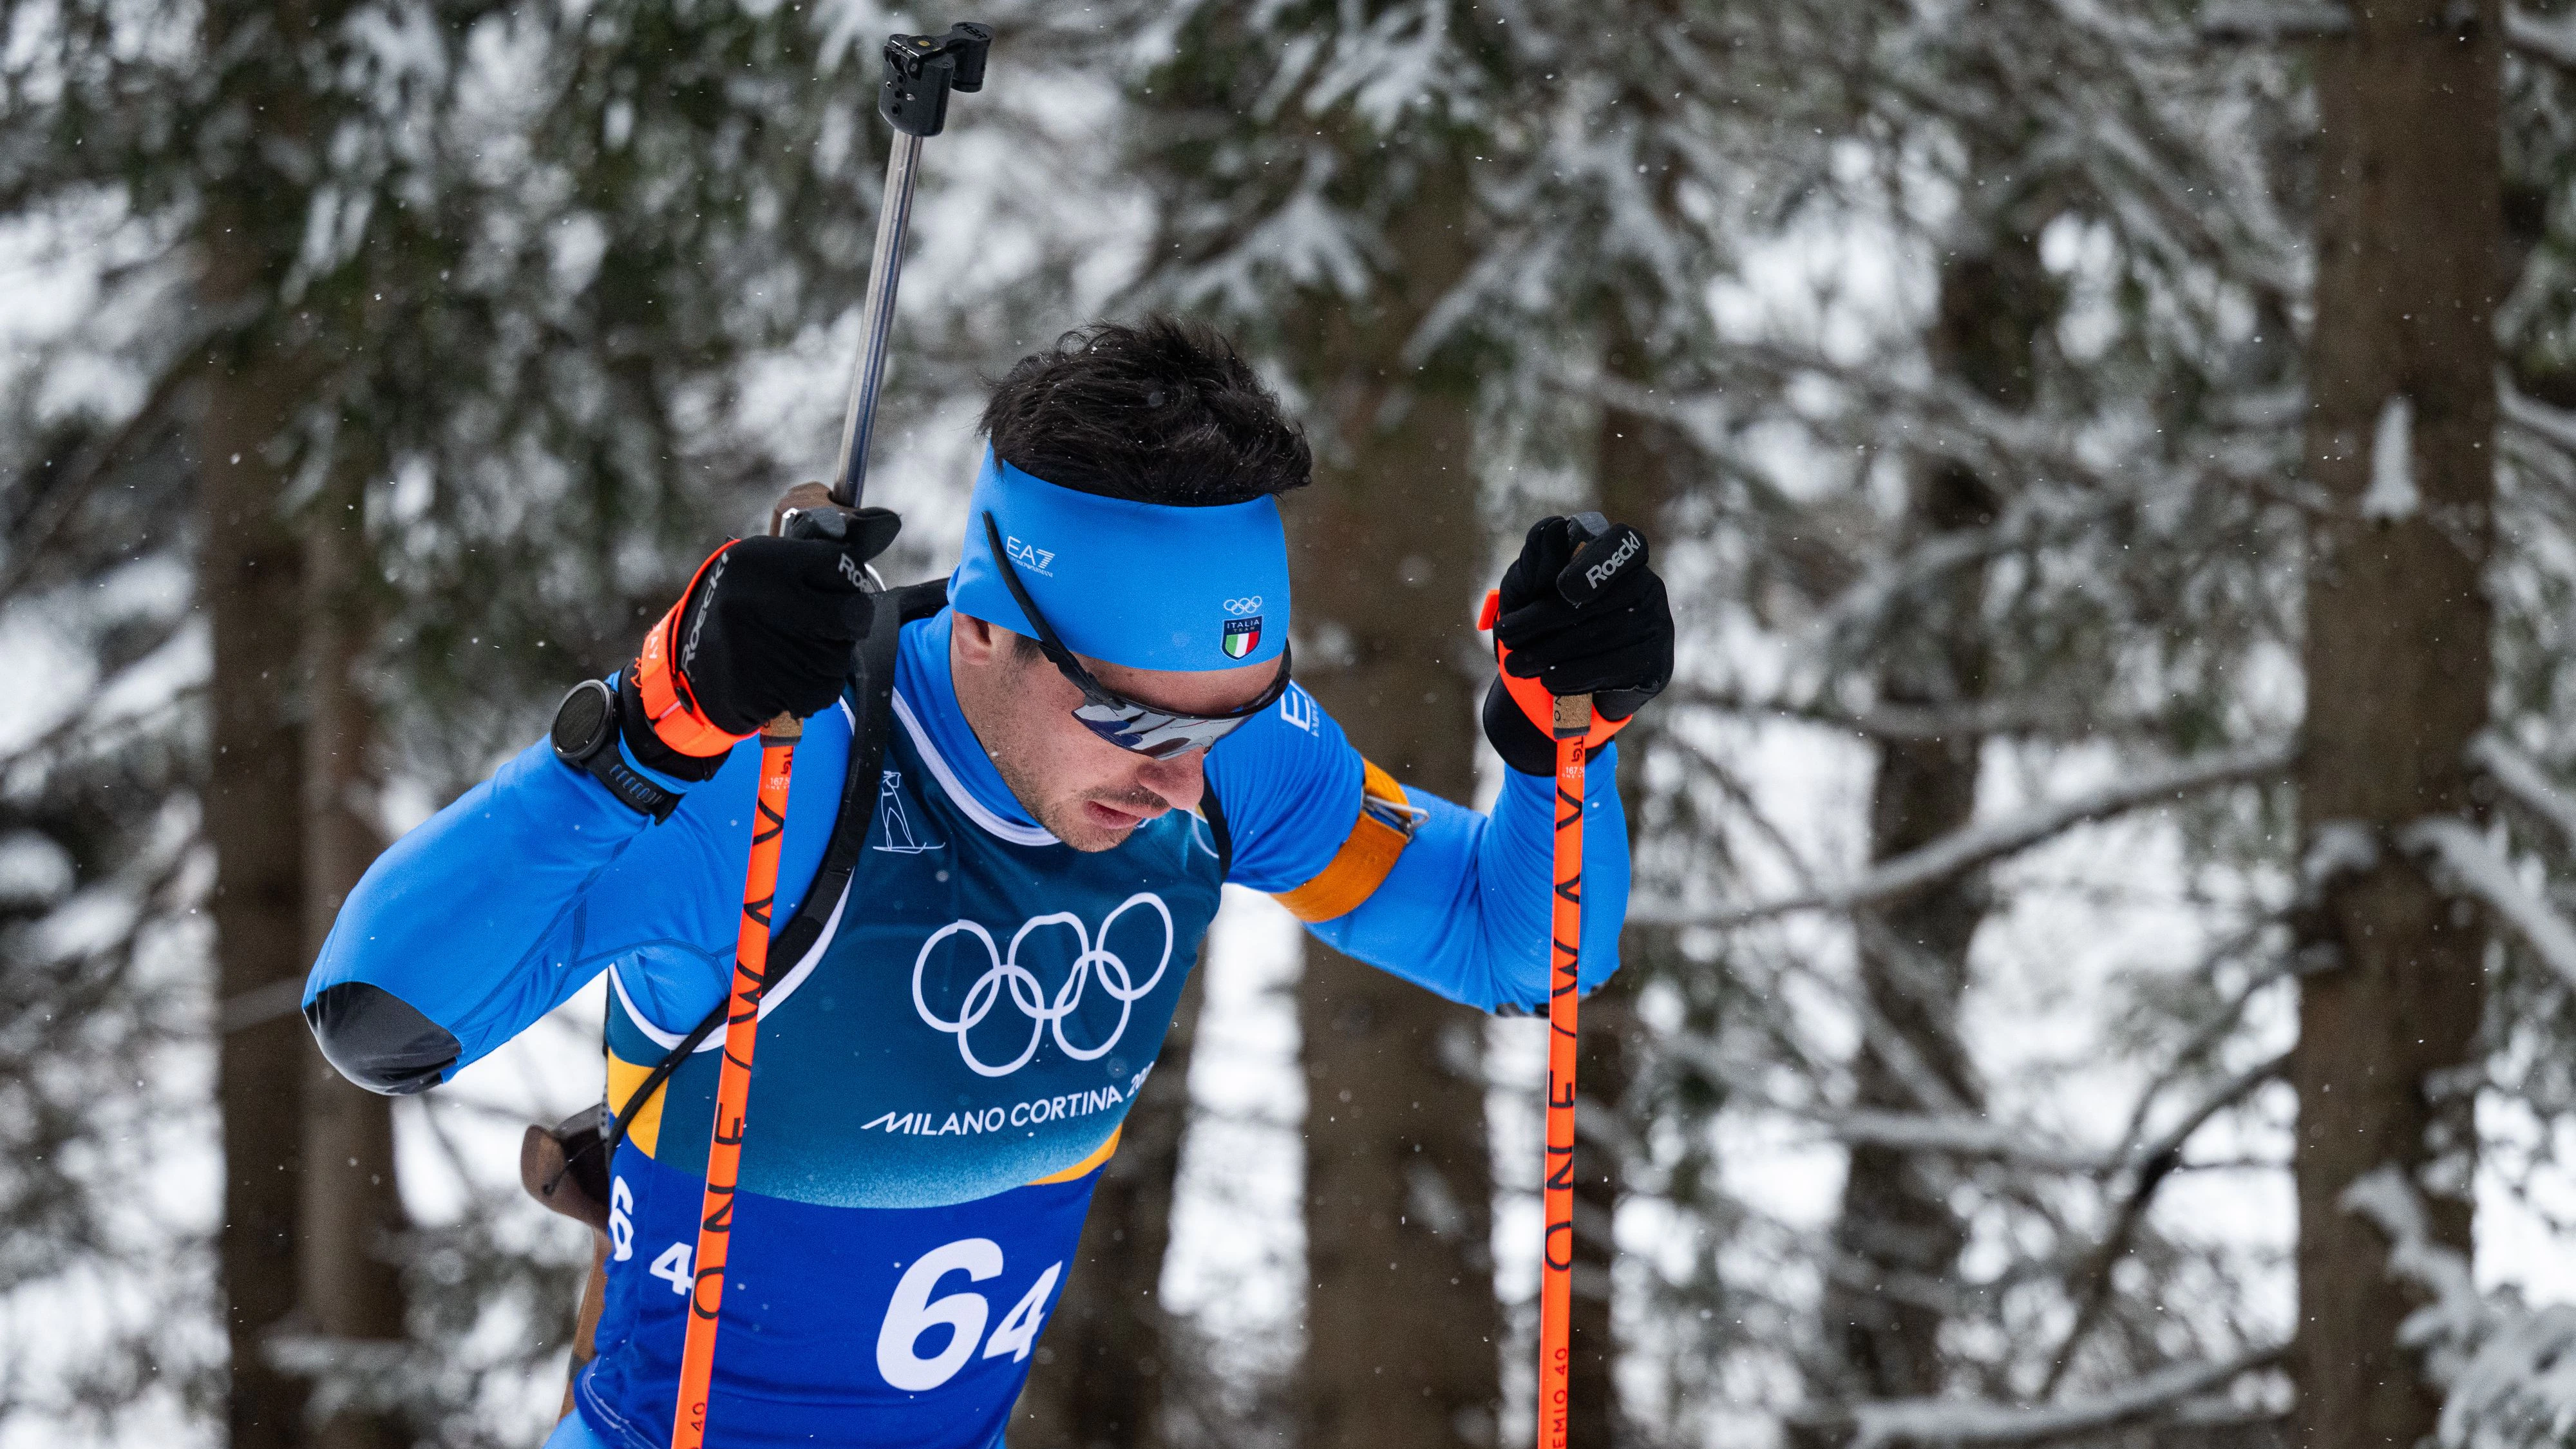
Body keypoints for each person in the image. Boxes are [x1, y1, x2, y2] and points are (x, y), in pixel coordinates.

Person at [303, 317, 1675, 1449]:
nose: (1182, 781)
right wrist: (647, 729)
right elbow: (378, 1015)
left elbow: (1516, 951)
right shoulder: (771, 778)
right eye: (1137, 723)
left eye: (1226, 721)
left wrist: (1565, 743)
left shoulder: (1230, 765)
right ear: (990, 625)